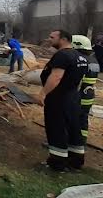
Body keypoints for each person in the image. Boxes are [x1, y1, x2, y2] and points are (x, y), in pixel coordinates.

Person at [38, 29, 88, 171]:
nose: (49, 39)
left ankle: (57, 163)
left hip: (58, 98)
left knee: (57, 128)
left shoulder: (62, 55)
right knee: (73, 129)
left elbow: (56, 77)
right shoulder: (80, 57)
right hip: (73, 98)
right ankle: (76, 161)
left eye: (52, 37)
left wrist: (43, 93)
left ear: (64, 39)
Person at [72, 35, 100, 145]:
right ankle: (81, 141)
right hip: (89, 93)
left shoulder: (81, 60)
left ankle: (70, 142)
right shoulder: (93, 59)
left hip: (79, 93)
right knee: (83, 118)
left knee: (72, 117)